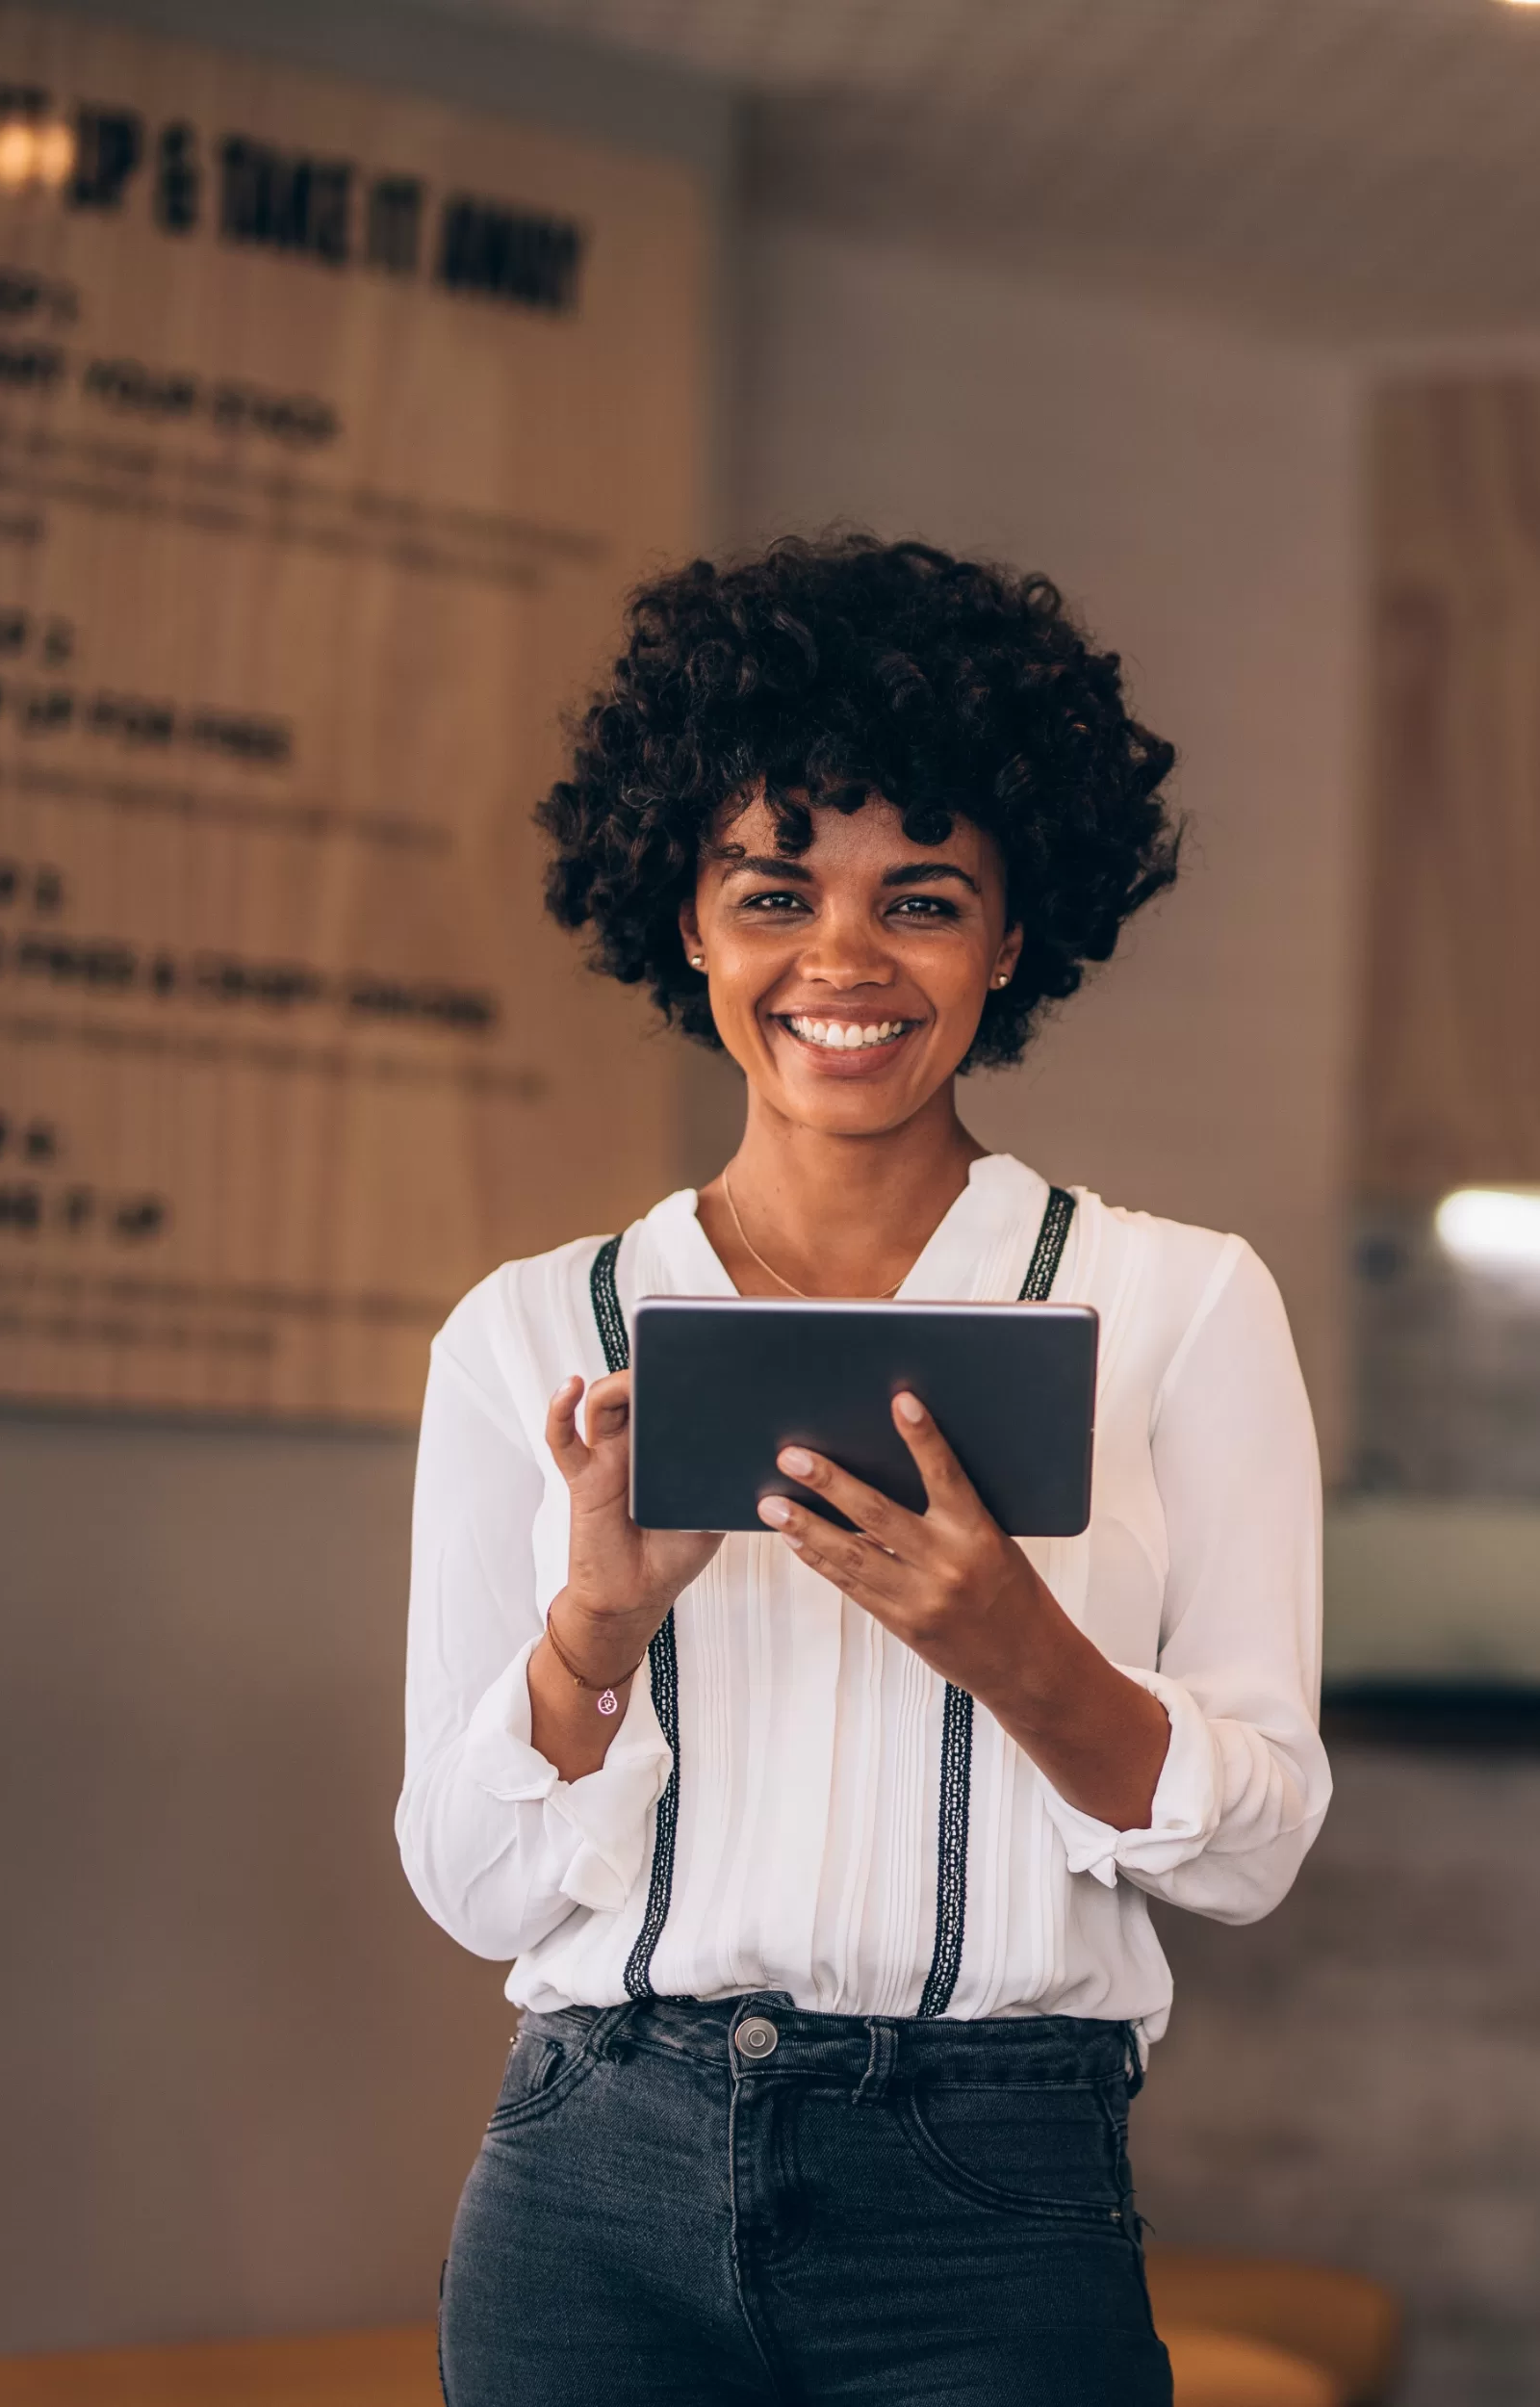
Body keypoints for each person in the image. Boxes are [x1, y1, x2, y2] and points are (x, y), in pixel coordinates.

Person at [397, 534, 1329, 2403]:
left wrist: (1019, 1649)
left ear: (1009, 932)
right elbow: (471, 1880)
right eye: (771, 891)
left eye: (920, 898)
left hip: (990, 2192)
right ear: (687, 917)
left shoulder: (1180, 1306)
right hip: (594, 2181)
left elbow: (1258, 1843)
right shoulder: (526, 1329)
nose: (841, 959)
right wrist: (592, 1627)